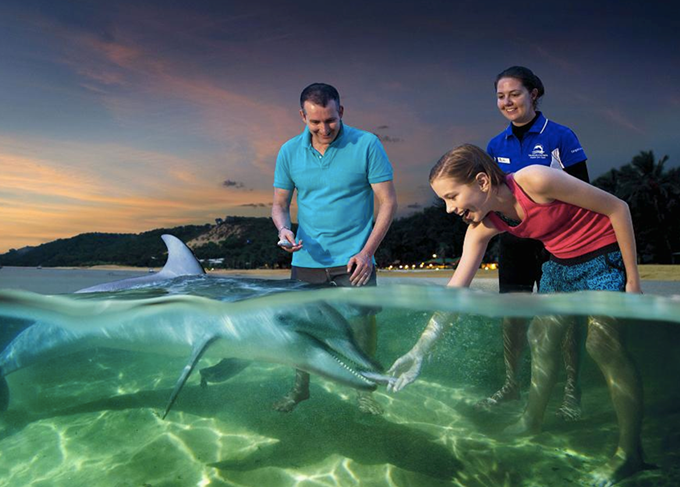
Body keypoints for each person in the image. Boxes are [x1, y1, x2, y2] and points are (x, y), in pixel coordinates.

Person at [388, 144, 644, 486]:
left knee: (602, 345)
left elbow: (618, 208)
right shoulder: (484, 225)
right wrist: (419, 350)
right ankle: (531, 421)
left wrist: (632, 280)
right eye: (444, 201)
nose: (450, 209)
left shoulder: (535, 179)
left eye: (452, 197)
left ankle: (630, 454)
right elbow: (455, 292)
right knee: (541, 337)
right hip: (560, 267)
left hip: (603, 257)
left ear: (481, 181)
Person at [272, 82, 397, 414]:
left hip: (356, 260)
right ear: (303, 117)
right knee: (301, 330)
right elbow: (279, 205)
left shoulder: (367, 143)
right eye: (315, 122)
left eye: (330, 120)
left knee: (361, 329)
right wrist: (284, 229)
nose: (324, 128)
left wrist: (367, 252)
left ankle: (364, 390)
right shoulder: (288, 151)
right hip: (306, 259)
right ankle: (300, 388)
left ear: (341, 112)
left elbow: (387, 203)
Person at [482, 66, 591, 419]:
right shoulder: (495, 146)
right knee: (511, 317)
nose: (507, 102)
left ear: (534, 94)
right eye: (501, 96)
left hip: (558, 245)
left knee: (563, 319)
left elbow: (584, 195)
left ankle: (571, 392)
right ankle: (512, 385)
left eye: (514, 93)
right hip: (515, 244)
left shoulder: (561, 136)